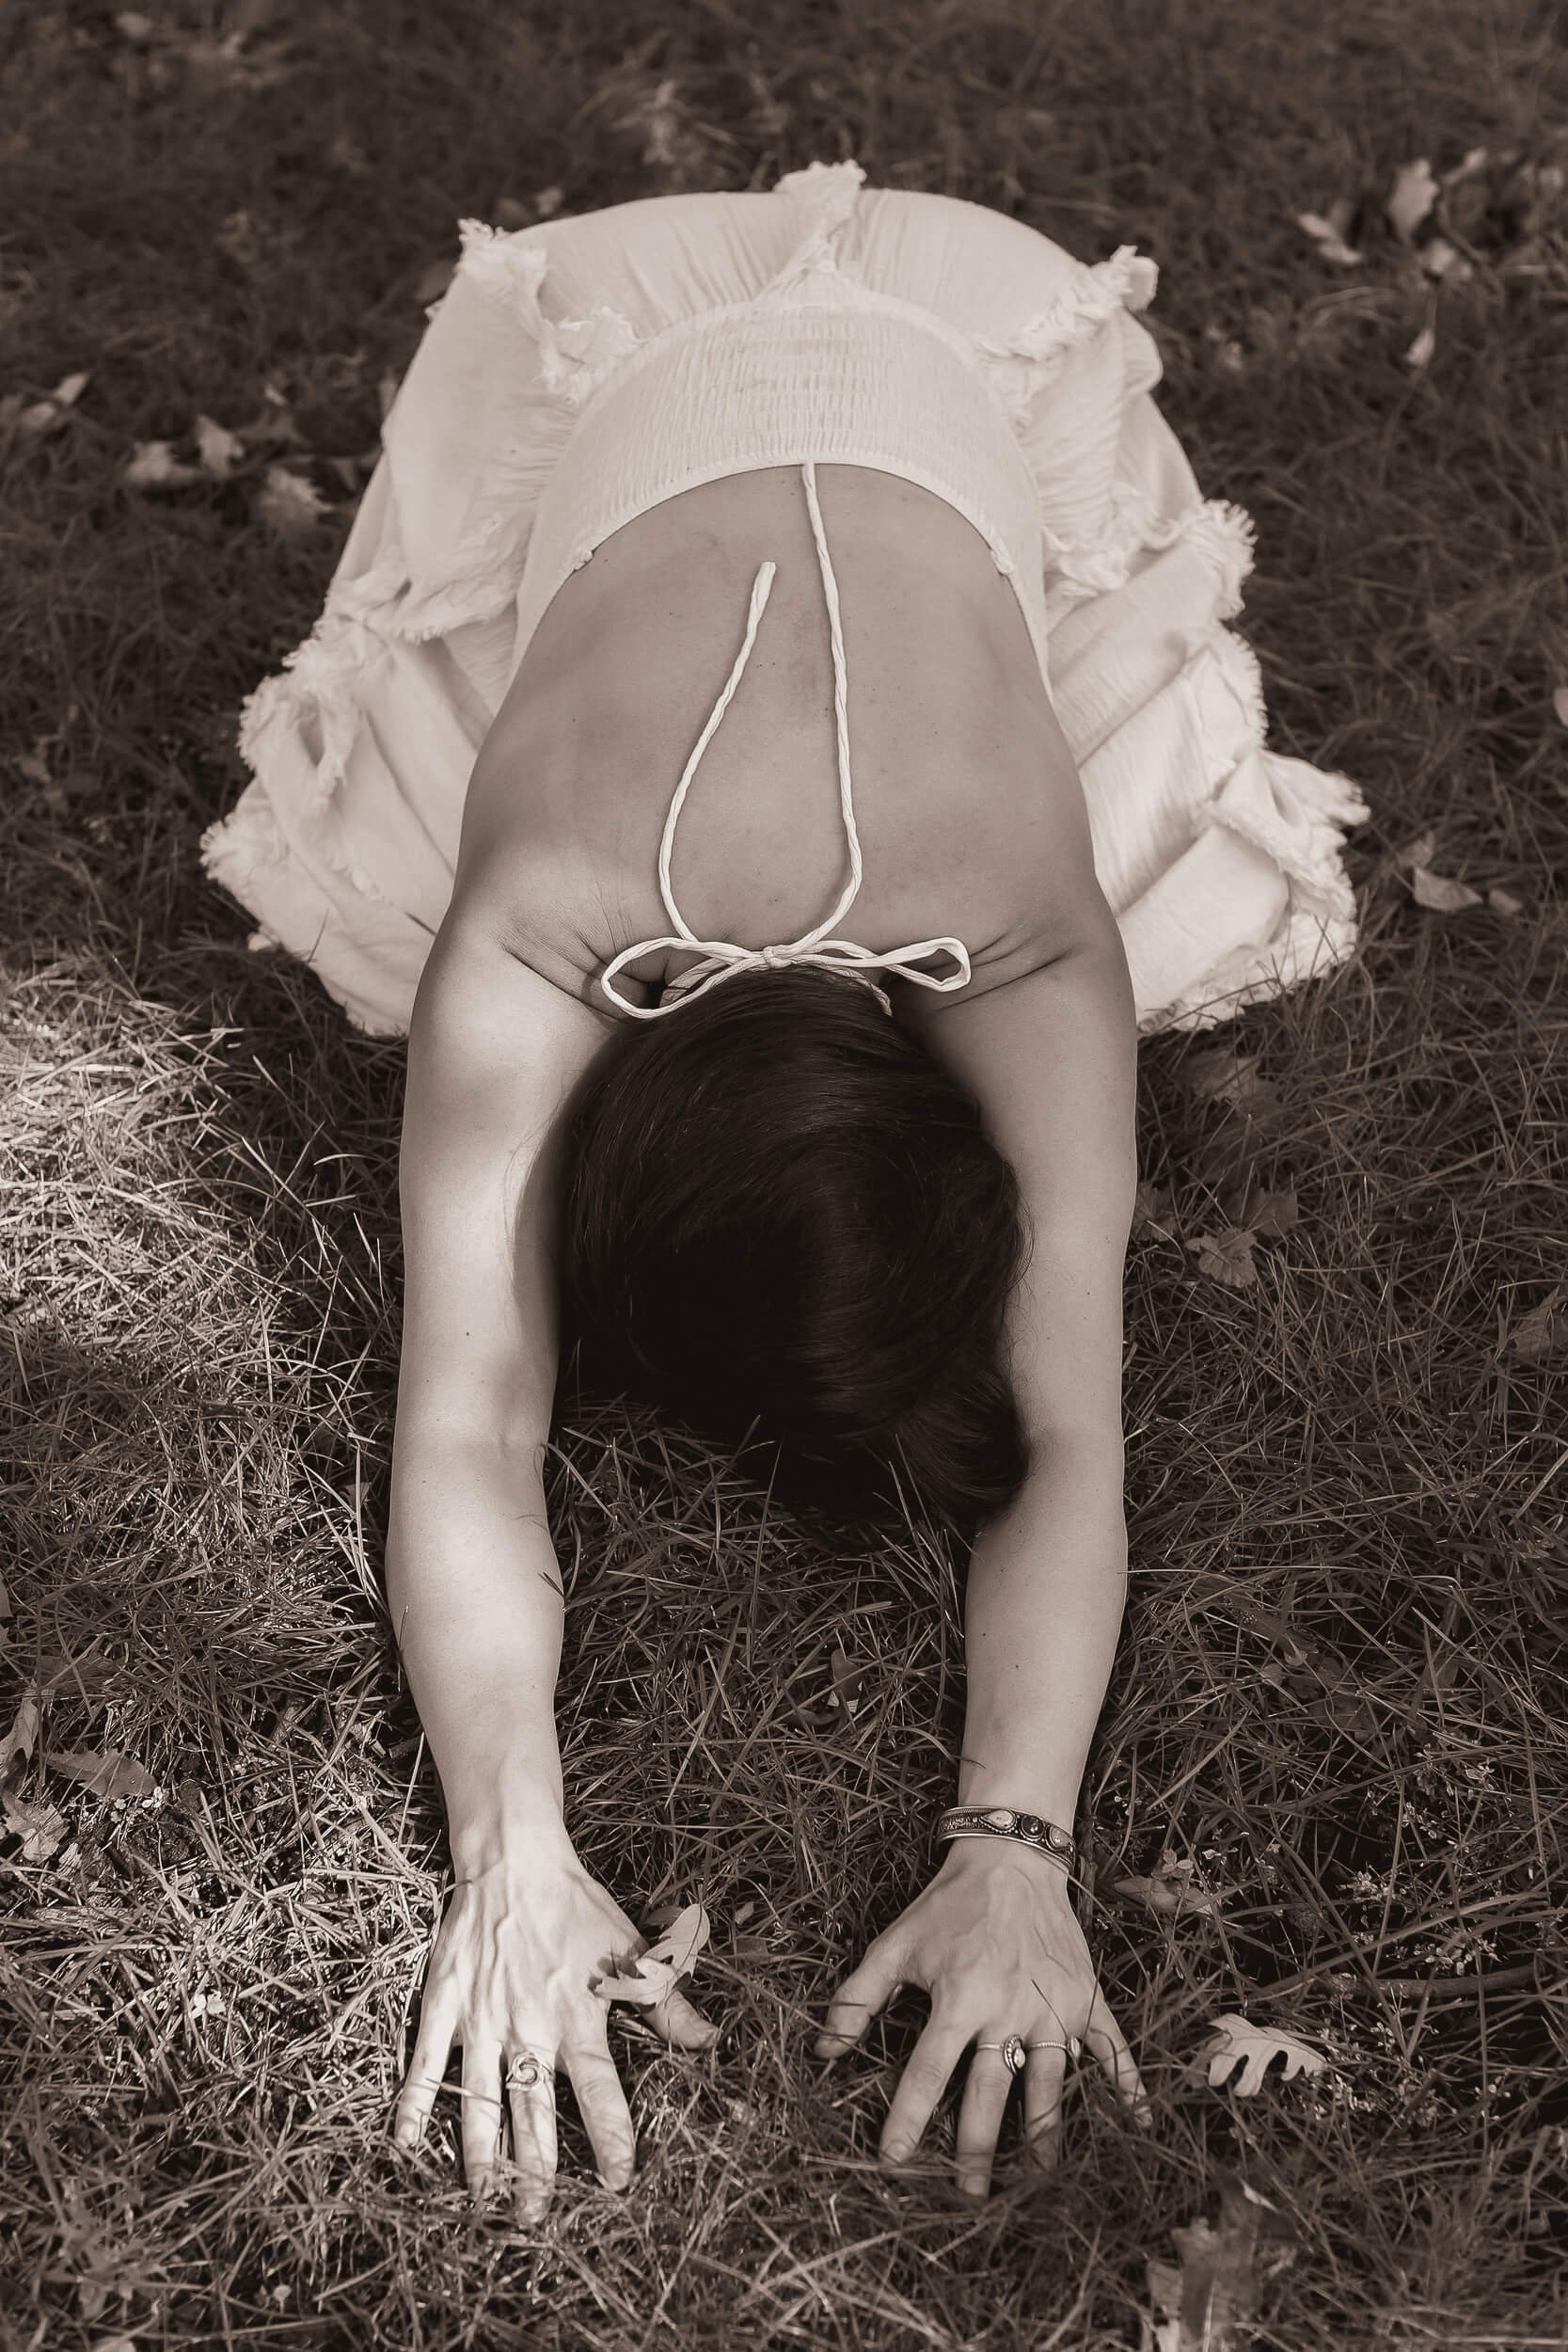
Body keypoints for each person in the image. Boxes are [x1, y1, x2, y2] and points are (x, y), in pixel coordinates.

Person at [200, 159, 1371, 2216]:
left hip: (920, 324)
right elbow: (464, 1422)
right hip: (652, 337)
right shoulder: (554, 922)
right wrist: (505, 1845)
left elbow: (1062, 1432)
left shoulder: (1015, 929)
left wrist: (1018, 1850)